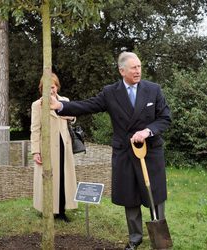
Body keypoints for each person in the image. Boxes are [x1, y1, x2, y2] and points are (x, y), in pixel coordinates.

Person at [50, 52, 171, 249]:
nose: (138, 71)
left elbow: (165, 118)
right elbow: (88, 105)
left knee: (154, 195)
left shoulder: (153, 90)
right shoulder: (110, 92)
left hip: (150, 152)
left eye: (139, 67)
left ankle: (159, 238)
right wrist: (61, 106)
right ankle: (135, 238)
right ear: (121, 71)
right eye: (133, 68)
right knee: (129, 196)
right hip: (124, 153)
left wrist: (147, 131)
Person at [30, 73, 78, 222]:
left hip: (64, 144)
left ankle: (62, 211)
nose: (50, 90)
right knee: (48, 178)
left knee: (64, 178)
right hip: (47, 147)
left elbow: (73, 117)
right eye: (47, 87)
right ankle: (48, 210)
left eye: (53, 86)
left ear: (57, 87)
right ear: (41, 89)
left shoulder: (65, 101)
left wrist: (64, 113)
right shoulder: (37, 105)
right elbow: (35, 129)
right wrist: (36, 151)